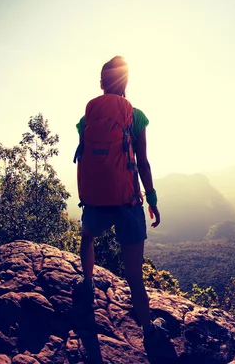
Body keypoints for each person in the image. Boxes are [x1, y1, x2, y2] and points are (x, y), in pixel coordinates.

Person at [73, 56, 167, 341]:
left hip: (95, 201)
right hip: (127, 202)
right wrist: (151, 199)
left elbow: (88, 157)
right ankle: (148, 329)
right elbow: (143, 163)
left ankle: (87, 282)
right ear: (126, 83)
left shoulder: (86, 118)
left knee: (88, 237)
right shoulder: (136, 116)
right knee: (134, 274)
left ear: (101, 84)